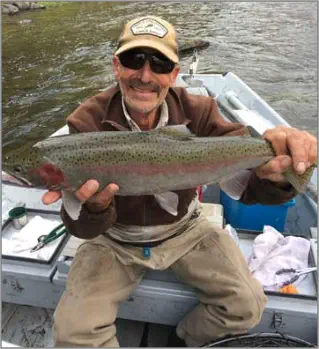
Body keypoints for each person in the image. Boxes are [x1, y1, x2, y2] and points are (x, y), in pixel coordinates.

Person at [42, 16, 317, 347]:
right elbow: (83, 230)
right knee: (73, 334)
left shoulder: (200, 111)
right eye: (133, 60)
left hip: (186, 229)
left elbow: (247, 191)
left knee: (247, 305)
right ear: (117, 66)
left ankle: (181, 341)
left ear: (174, 73)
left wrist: (276, 175)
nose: (145, 75)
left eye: (159, 64)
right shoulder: (86, 120)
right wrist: (96, 207)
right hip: (114, 239)